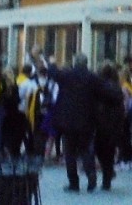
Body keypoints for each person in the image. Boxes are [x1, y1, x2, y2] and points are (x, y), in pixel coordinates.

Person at [46, 52, 123, 193]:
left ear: (75, 63)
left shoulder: (67, 75)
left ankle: (73, 183)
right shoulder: (92, 78)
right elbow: (111, 93)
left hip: (67, 121)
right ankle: (91, 176)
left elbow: (53, 73)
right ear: (86, 63)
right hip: (86, 121)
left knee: (69, 152)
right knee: (85, 150)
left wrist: (51, 62)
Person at [94, 62, 125, 190]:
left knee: (100, 150)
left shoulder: (98, 87)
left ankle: (107, 174)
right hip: (113, 125)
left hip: (101, 123)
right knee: (109, 151)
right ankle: (107, 176)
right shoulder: (117, 87)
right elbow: (121, 108)